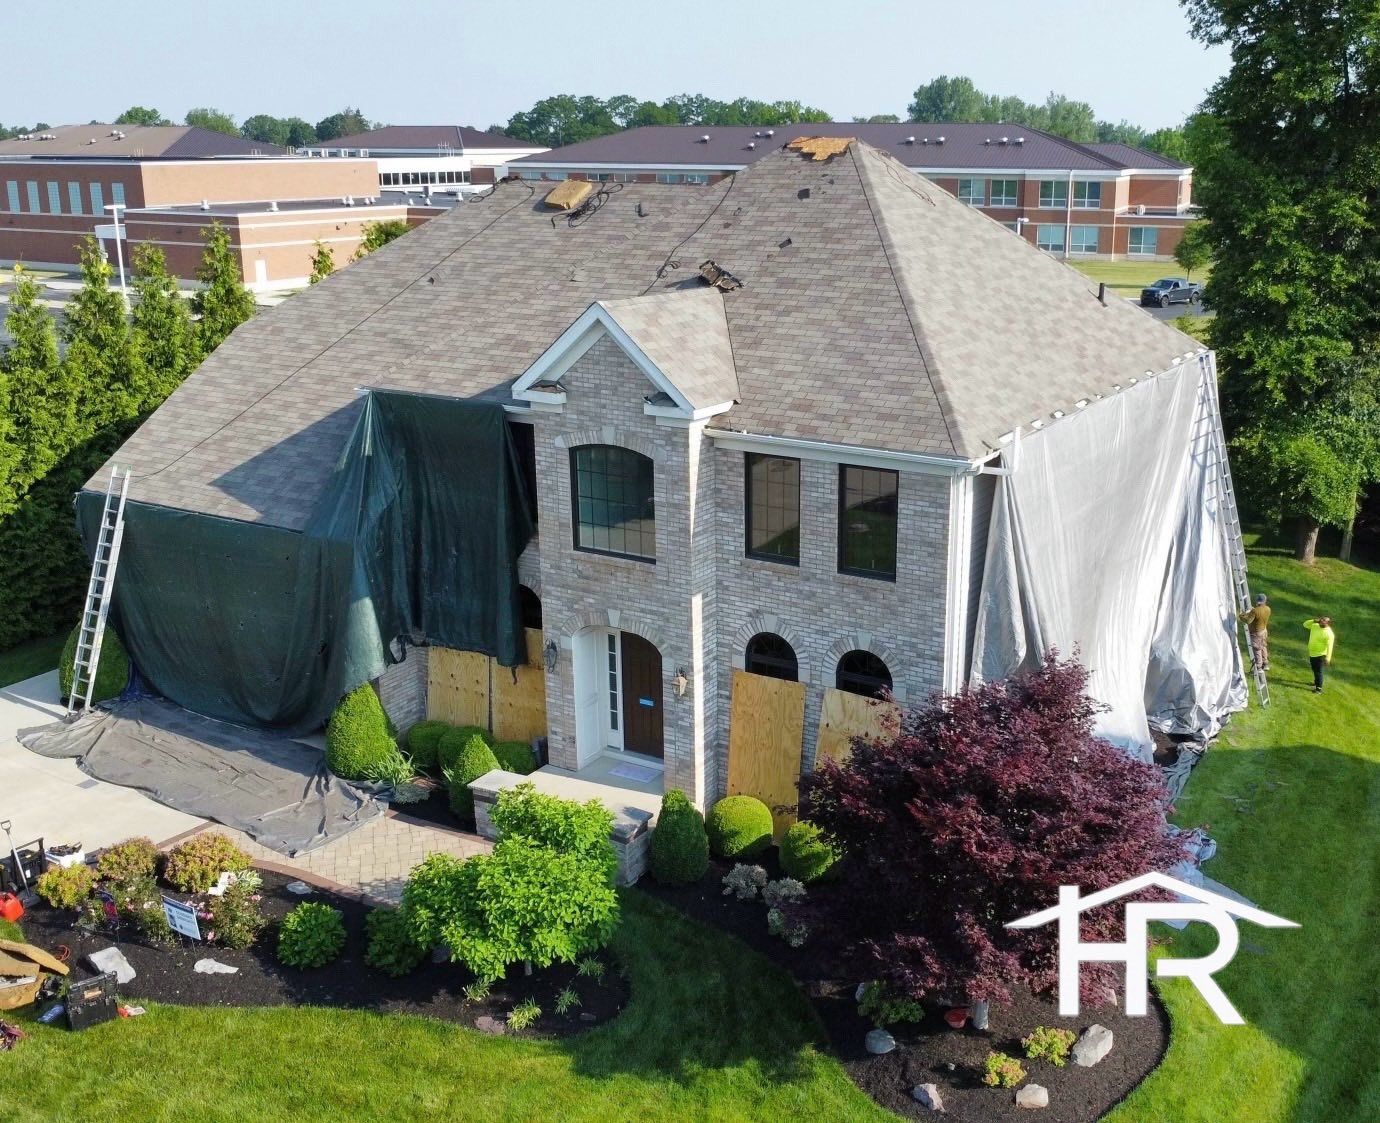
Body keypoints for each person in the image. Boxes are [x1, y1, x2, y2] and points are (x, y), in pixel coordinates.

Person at [1239, 593, 1271, 671]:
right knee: (1263, 646)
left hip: (1256, 633)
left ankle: (1259, 667)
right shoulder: (1268, 609)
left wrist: (1241, 615)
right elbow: (1259, 614)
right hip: (1264, 631)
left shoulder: (1255, 611)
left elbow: (1248, 621)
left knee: (1257, 649)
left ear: (1257, 601)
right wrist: (1252, 611)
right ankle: (1265, 663)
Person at [1303, 616, 1335, 694]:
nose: (1321, 620)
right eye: (1321, 619)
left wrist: (1328, 658)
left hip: (1320, 655)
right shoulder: (1315, 626)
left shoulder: (1329, 634)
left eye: (1324, 620)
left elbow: (1330, 647)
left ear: (1328, 623)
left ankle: (1319, 689)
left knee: (1318, 672)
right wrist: (1313, 620)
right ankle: (1316, 682)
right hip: (1312, 653)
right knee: (1314, 669)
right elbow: (1305, 624)